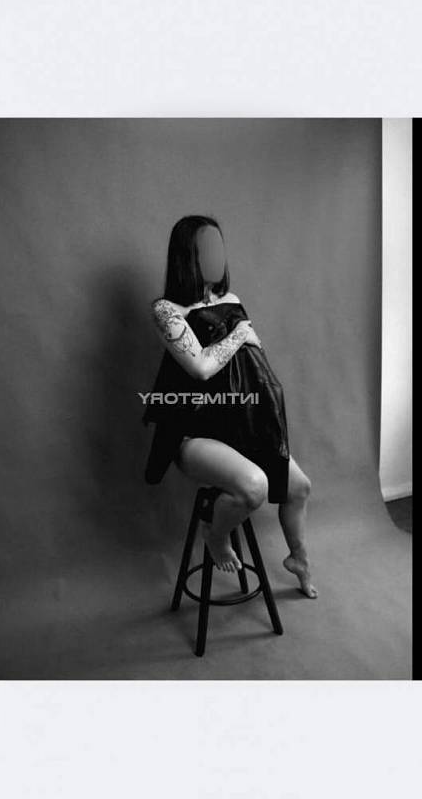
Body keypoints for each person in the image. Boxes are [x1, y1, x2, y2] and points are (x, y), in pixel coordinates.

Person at [142, 215, 317, 598]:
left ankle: (299, 559)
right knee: (254, 487)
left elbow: (252, 362)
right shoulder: (166, 310)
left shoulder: (231, 300)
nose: (218, 256)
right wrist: (239, 334)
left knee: (299, 487)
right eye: (208, 248)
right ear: (187, 256)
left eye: (220, 247)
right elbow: (202, 367)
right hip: (193, 433)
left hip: (242, 424)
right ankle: (216, 534)